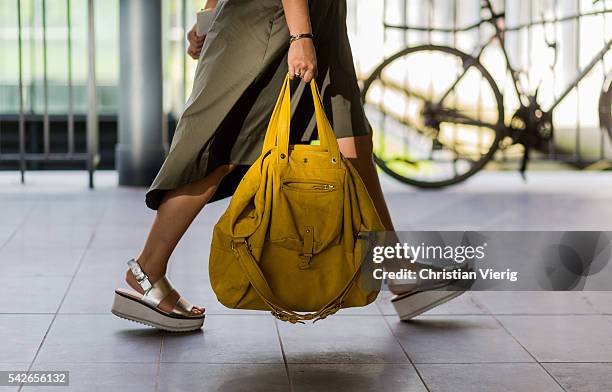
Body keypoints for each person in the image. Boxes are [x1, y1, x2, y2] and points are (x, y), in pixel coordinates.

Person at [111, 0, 464, 332]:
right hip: (270, 23)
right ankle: (147, 272)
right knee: (222, 150)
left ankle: (396, 267)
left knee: (350, 140)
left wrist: (209, 14)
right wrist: (299, 35)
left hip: (312, 18)